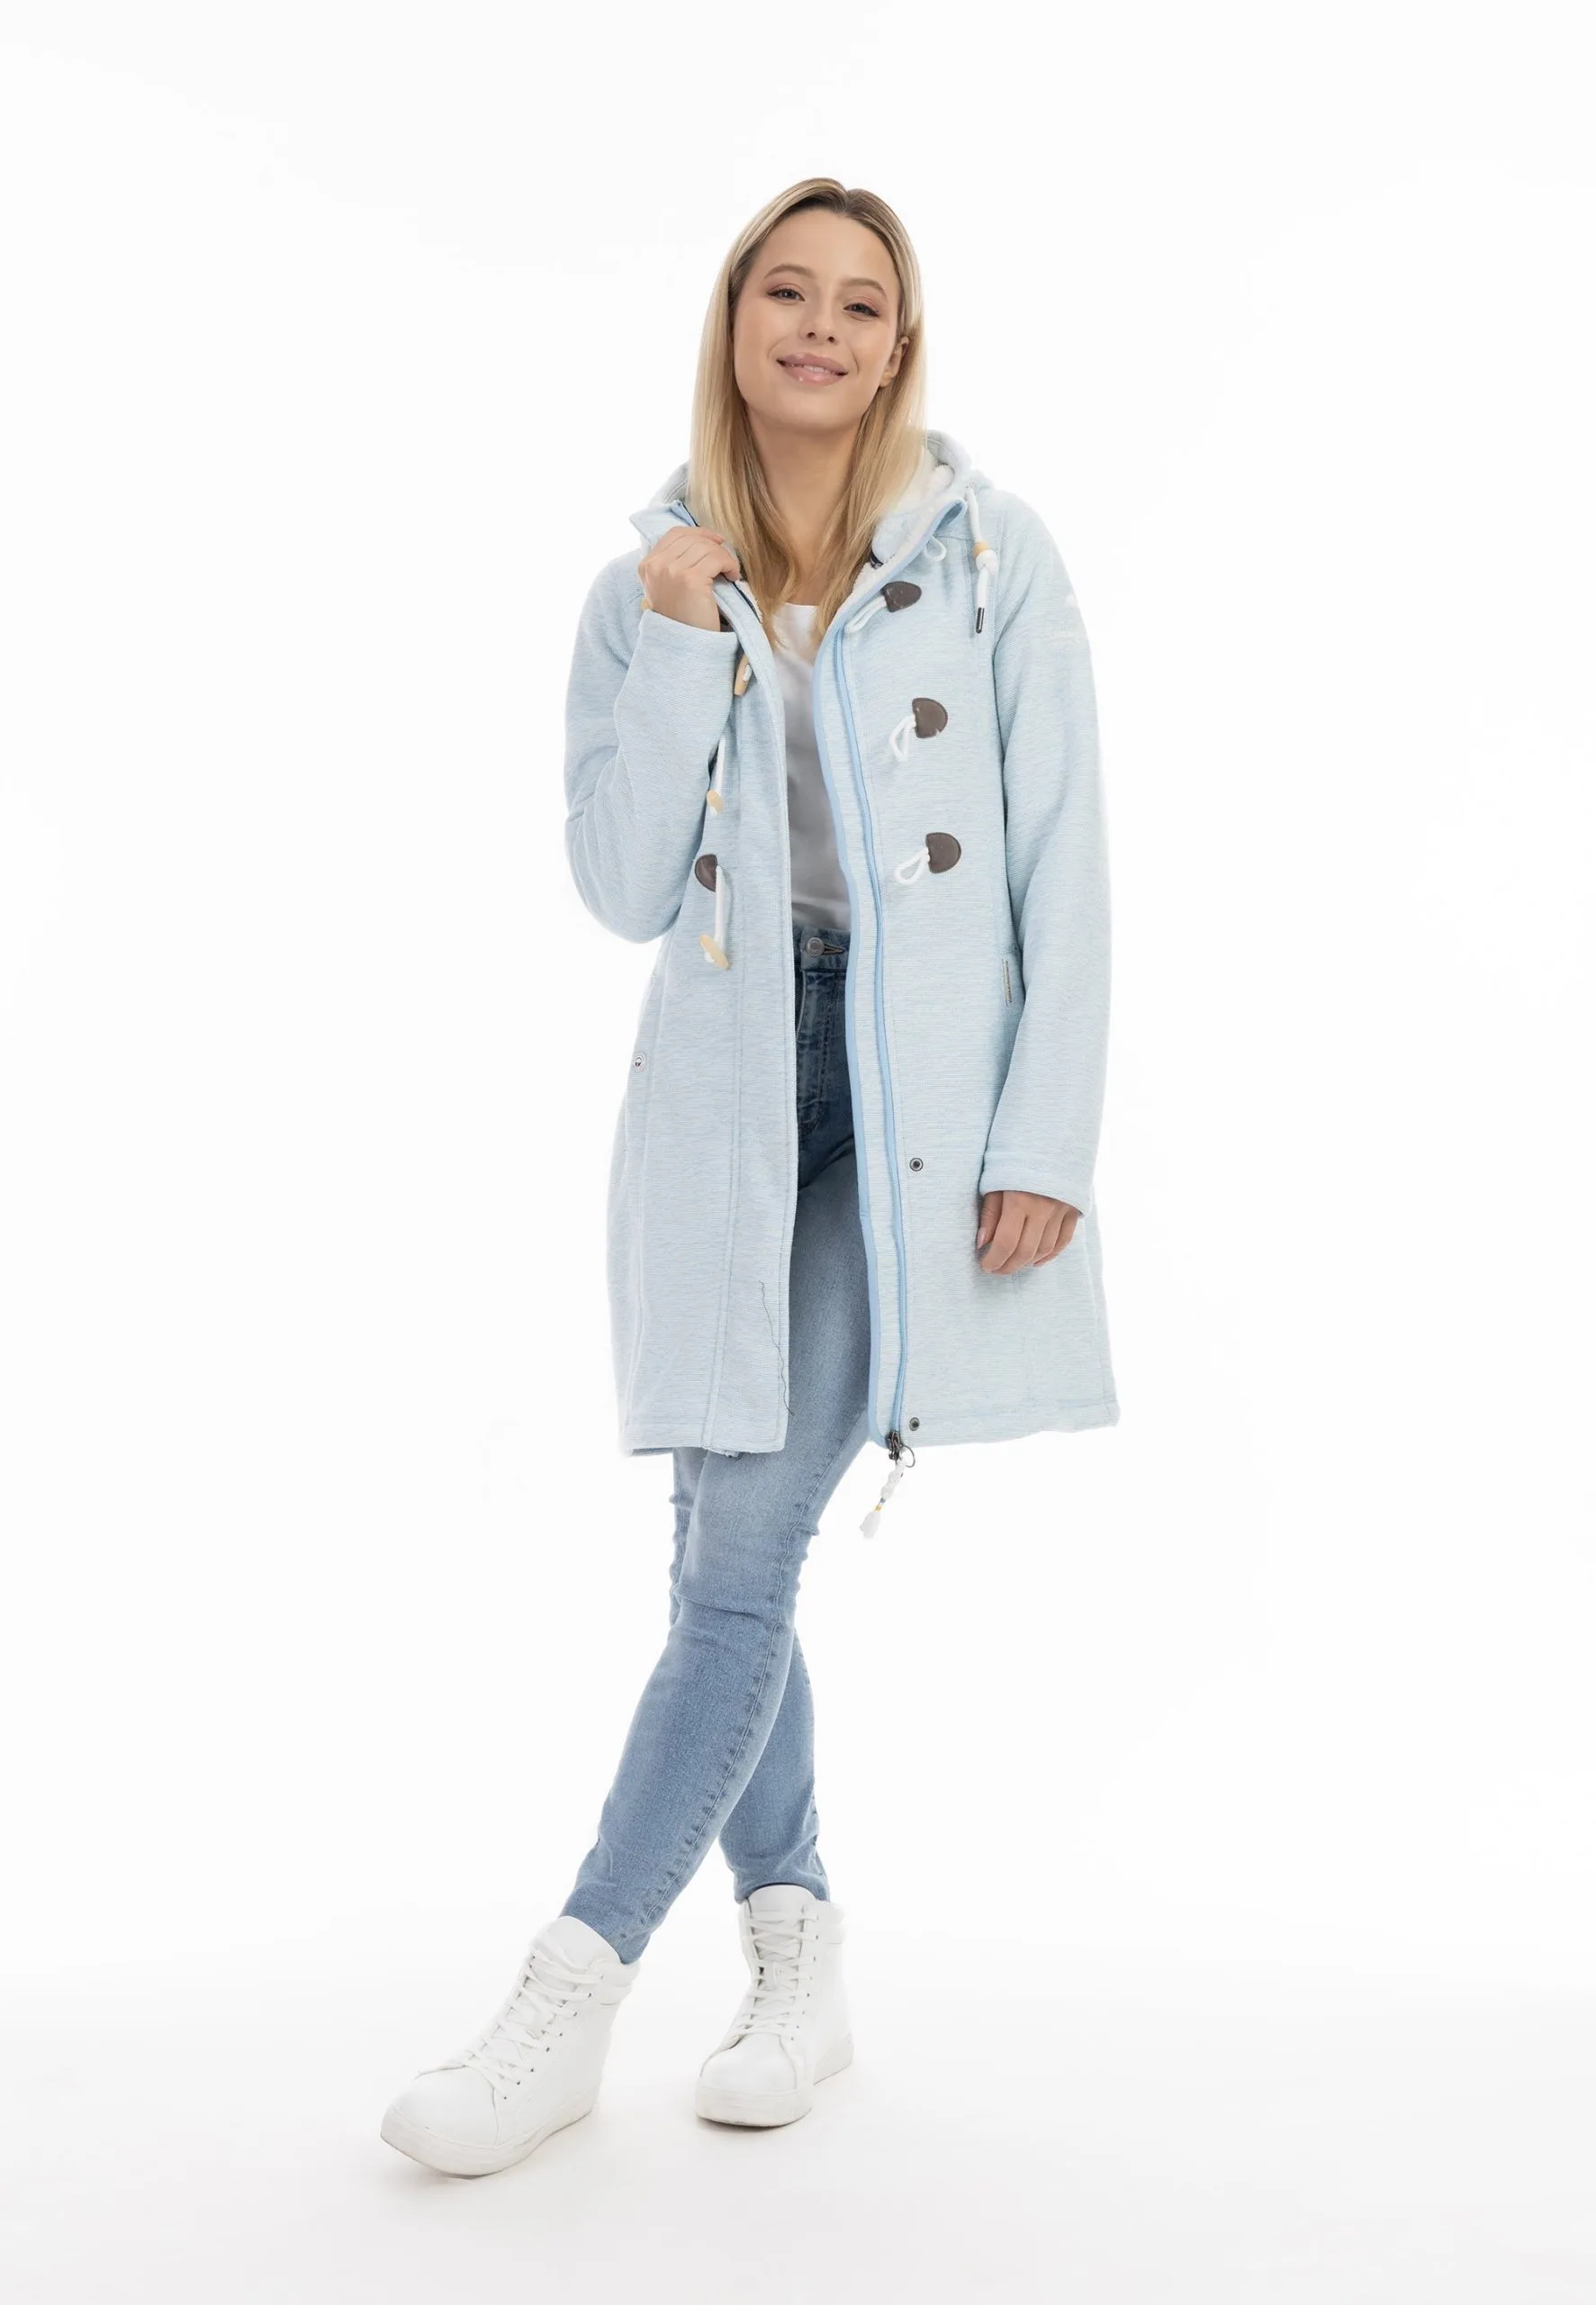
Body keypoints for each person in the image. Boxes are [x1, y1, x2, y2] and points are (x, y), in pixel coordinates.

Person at [381, 177, 1118, 2179]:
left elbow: (1067, 852)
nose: (818, 326)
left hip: (916, 1094)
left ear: (899, 345)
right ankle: (799, 1957)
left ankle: (569, 1993)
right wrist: (674, 635)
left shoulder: (990, 554)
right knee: (721, 1537)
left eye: (859, 303)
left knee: (741, 1552)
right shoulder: (645, 584)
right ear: (731, 321)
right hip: (722, 1087)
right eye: (784, 291)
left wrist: (1043, 1137)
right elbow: (621, 886)